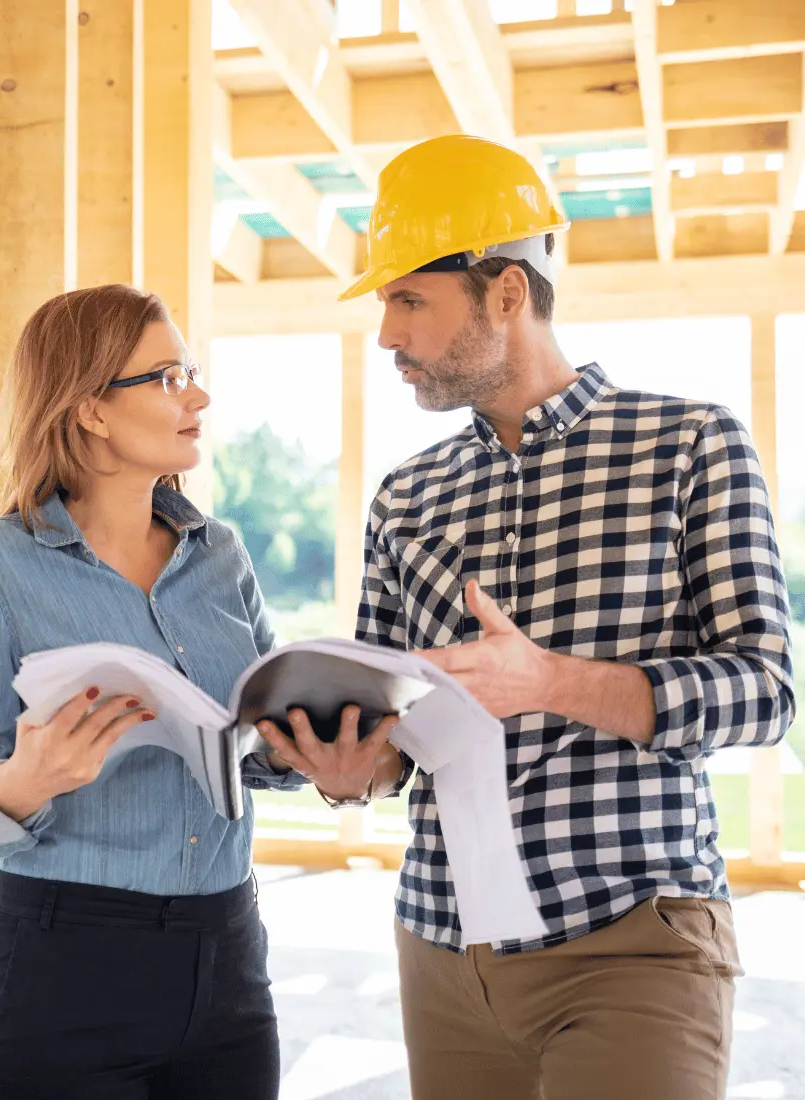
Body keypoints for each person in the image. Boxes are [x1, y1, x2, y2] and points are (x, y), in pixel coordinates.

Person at [339, 134, 791, 1100]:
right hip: (442, 946)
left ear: (506, 292)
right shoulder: (405, 497)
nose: (386, 334)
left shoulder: (689, 444)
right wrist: (352, 769)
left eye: (408, 298)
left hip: (632, 942)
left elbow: (766, 691)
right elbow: (386, 729)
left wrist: (549, 682)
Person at [0, 283, 403, 1100]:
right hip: (62, 964)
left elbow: (248, 749)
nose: (199, 395)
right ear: (90, 411)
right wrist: (21, 783)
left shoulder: (220, 553)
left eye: (191, 372)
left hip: (227, 959)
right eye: (168, 377)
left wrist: (312, 760)